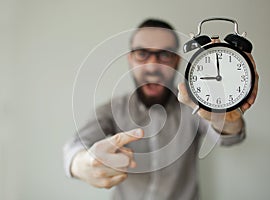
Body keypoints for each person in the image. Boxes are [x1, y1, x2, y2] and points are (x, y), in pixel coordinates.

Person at [63, 19, 259, 200]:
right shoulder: (111, 110)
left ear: (177, 61)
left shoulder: (193, 106)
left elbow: (230, 137)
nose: (152, 66)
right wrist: (82, 164)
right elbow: (75, 146)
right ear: (130, 59)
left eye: (164, 54)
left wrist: (226, 116)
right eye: (142, 54)